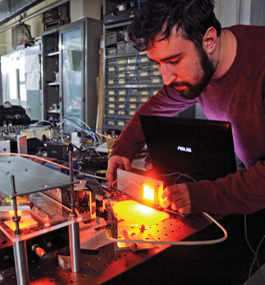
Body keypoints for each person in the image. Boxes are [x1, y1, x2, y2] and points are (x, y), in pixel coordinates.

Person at [106, 0, 265, 215]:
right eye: (158, 64)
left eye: (174, 61)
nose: (166, 78)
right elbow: (154, 108)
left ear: (209, 41)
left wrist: (207, 195)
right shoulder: (201, 67)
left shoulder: (259, 64)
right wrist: (123, 148)